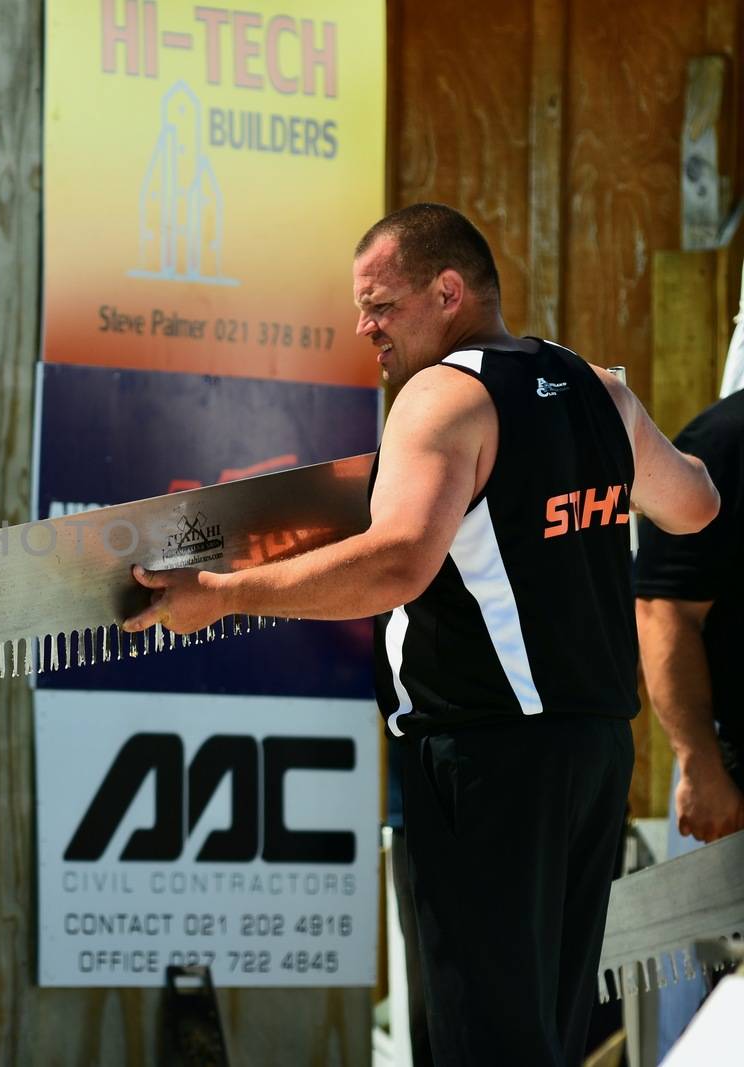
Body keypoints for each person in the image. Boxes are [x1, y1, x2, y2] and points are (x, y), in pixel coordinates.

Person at [123, 203, 720, 1065]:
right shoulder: (600, 391)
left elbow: (399, 560)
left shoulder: (441, 395)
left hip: (482, 761)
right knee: (540, 1035)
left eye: (381, 304)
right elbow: (696, 503)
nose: (364, 326)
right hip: (593, 755)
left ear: (448, 291)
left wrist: (221, 595)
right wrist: (595, 467)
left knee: (480, 1042)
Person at [633, 389, 744, 1053]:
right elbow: (665, 608)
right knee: (714, 1010)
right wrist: (701, 762)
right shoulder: (727, 440)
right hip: (733, 781)